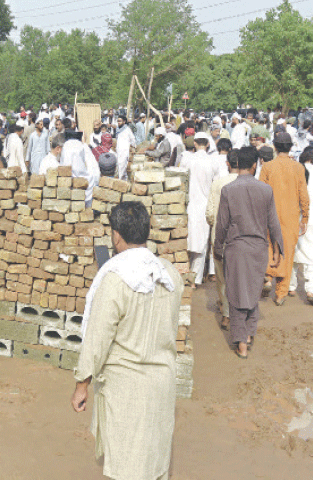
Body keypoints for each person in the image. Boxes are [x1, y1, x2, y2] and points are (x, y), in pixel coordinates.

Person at [72, 201, 182, 480]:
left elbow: (97, 338)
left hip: (127, 389)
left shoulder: (115, 279)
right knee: (154, 462)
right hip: (162, 385)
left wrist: (81, 384)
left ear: (116, 235)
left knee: (127, 463)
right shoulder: (169, 274)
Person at [215, 147, 284, 358]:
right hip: (258, 248)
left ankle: (241, 344)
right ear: (255, 165)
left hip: (236, 249)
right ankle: (248, 335)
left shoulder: (228, 190)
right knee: (253, 293)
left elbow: (222, 224)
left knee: (236, 295)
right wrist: (277, 249)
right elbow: (273, 223)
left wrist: (218, 248)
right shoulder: (265, 190)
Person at [259, 132, 310, 305]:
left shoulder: (267, 167)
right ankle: (281, 293)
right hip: (290, 218)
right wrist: (305, 218)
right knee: (287, 254)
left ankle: (267, 276)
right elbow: (304, 195)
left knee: (269, 248)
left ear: (274, 147)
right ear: (290, 147)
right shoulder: (298, 168)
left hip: (269, 215)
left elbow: (260, 193)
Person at [179, 133, 219, 288]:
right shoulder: (212, 162)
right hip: (205, 206)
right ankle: (195, 279)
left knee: (187, 241)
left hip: (188, 205)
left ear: (195, 143)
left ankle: (185, 274)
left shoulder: (187, 160)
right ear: (208, 144)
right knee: (201, 244)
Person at [206, 150, 239, 329]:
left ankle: (226, 314)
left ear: (228, 164)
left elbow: (210, 214)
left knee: (222, 278)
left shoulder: (218, 184)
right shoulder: (247, 185)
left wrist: (215, 224)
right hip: (240, 238)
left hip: (219, 236)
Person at [290, 147, 313, 303]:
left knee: (293, 250)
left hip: (296, 214)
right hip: (310, 216)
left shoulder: (297, 169)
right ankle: (310, 289)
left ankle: (291, 286)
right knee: (310, 253)